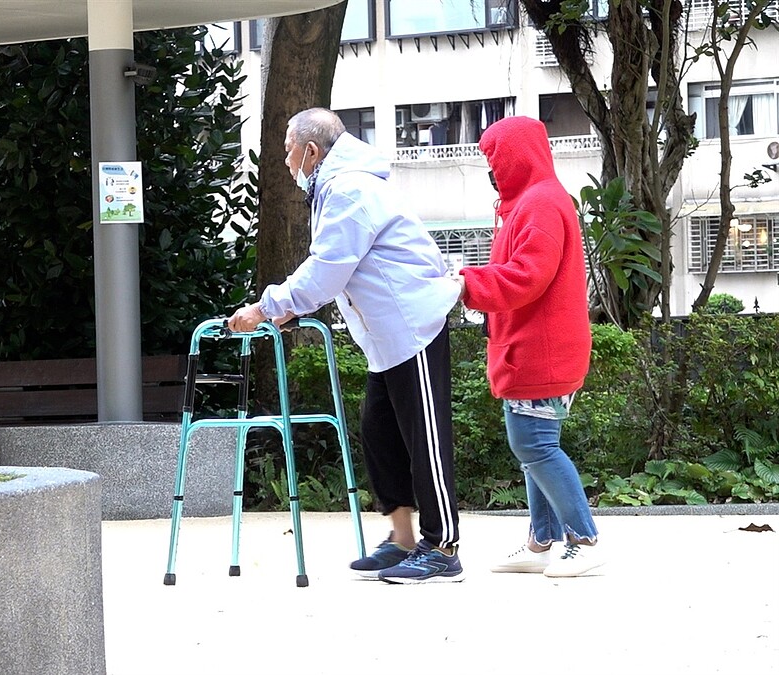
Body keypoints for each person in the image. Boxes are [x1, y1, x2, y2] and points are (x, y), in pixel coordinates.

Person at [227, 108, 465, 584]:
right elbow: (336, 268)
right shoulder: (336, 187)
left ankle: (443, 548)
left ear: (312, 151)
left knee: (425, 440)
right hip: (387, 334)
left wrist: (268, 306)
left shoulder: (350, 188)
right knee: (379, 430)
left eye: (289, 150)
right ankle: (402, 538)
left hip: (411, 323)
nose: (286, 161)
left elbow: (329, 265)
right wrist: (292, 306)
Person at [456, 115, 603, 578]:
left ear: (516, 159)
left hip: (541, 350)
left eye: (495, 161)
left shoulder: (539, 203)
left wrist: (463, 284)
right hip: (535, 349)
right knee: (534, 449)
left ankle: (585, 538)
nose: (492, 172)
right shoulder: (528, 203)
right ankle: (543, 540)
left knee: (535, 447)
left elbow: (527, 277)